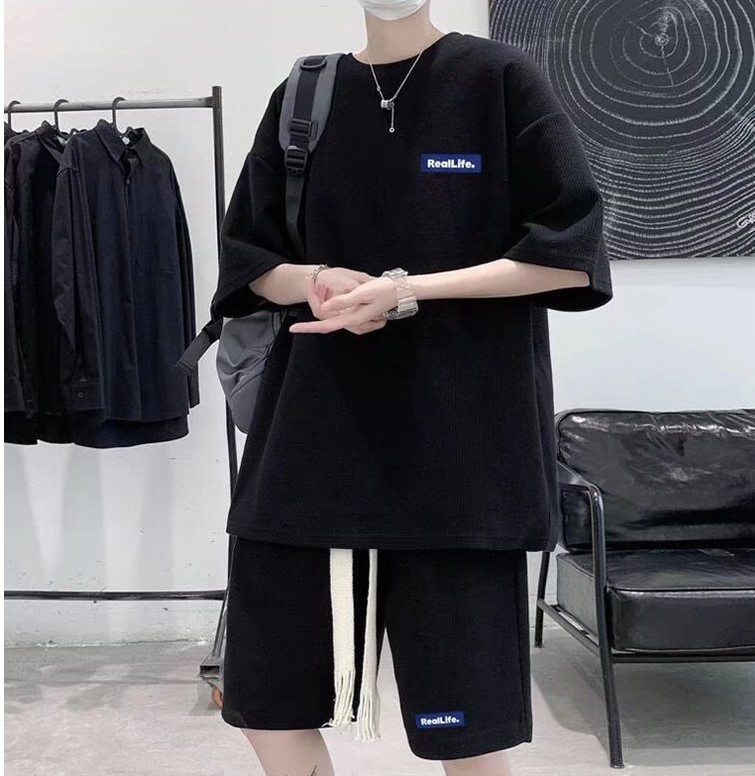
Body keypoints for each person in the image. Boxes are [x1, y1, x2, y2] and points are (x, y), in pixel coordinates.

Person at [212, 1, 613, 774]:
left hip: (461, 465)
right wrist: (317, 281)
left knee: (462, 731)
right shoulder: (305, 93)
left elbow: (571, 255)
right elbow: (249, 261)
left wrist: (408, 290)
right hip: (309, 452)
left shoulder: (499, 79)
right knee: (266, 704)